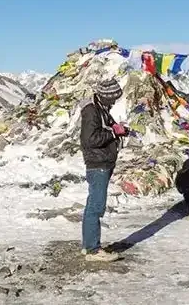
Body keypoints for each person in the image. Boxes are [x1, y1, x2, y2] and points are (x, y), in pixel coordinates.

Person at [79, 78, 129, 262]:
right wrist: (114, 133)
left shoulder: (101, 108)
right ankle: (93, 250)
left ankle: (89, 245)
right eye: (113, 98)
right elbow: (90, 139)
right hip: (97, 163)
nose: (115, 101)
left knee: (93, 204)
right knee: (96, 206)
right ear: (106, 96)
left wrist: (117, 129)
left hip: (102, 162)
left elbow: (103, 130)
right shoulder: (92, 111)